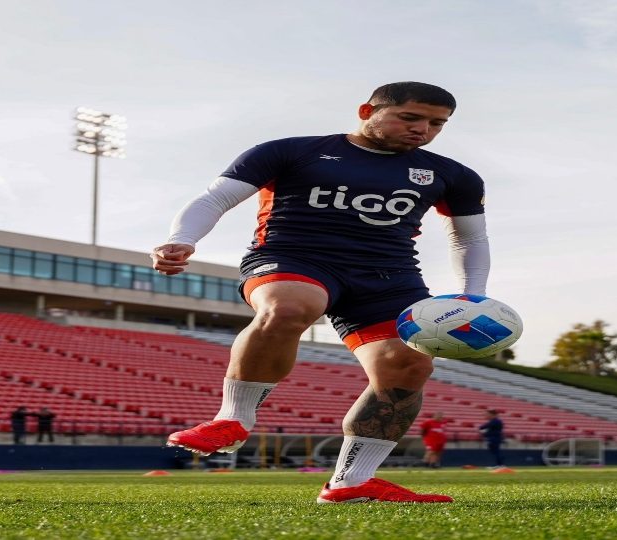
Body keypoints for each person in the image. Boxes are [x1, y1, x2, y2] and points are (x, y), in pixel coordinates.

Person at [152, 81, 490, 504]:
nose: (422, 129)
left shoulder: (452, 175)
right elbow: (215, 198)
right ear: (366, 111)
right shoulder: (291, 151)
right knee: (289, 308)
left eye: (437, 124)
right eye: (410, 117)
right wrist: (181, 239)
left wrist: (472, 296)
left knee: (409, 364)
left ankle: (352, 481)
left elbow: (469, 239)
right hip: (294, 258)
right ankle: (232, 419)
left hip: (389, 276)